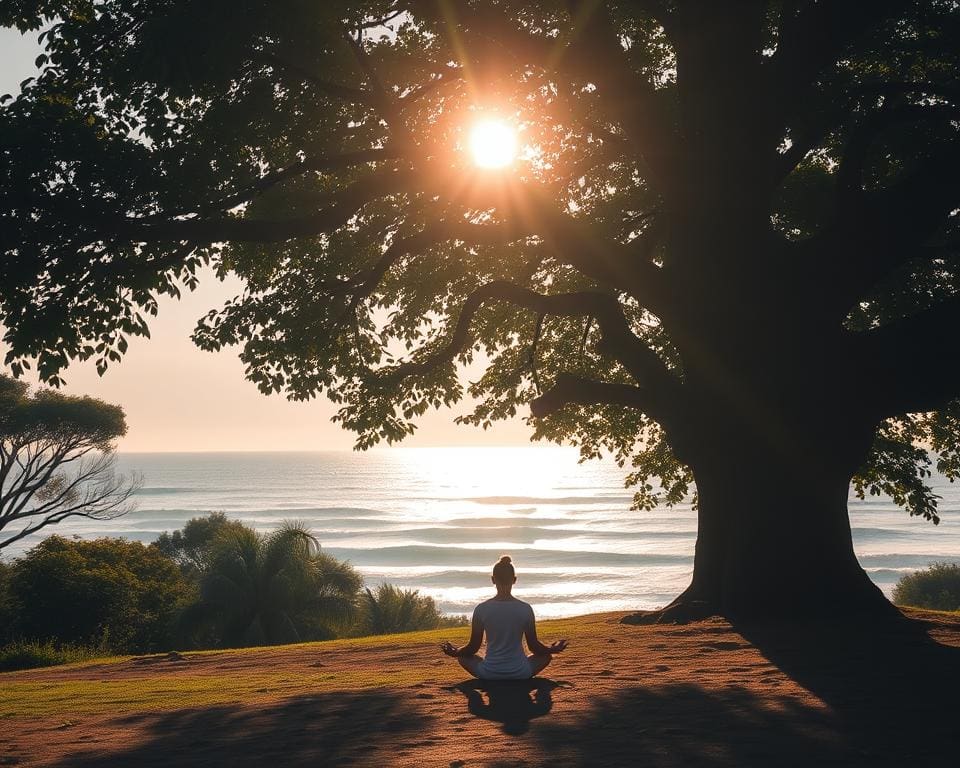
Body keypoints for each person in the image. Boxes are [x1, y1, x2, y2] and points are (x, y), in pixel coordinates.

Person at [440, 555, 568, 679]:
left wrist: (456, 652)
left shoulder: (481, 609)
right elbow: (533, 647)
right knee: (546, 657)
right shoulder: (525, 608)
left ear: (493, 580)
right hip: (520, 672)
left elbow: (473, 647)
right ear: (514, 580)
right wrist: (552, 649)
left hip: (489, 673)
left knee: (463, 657)